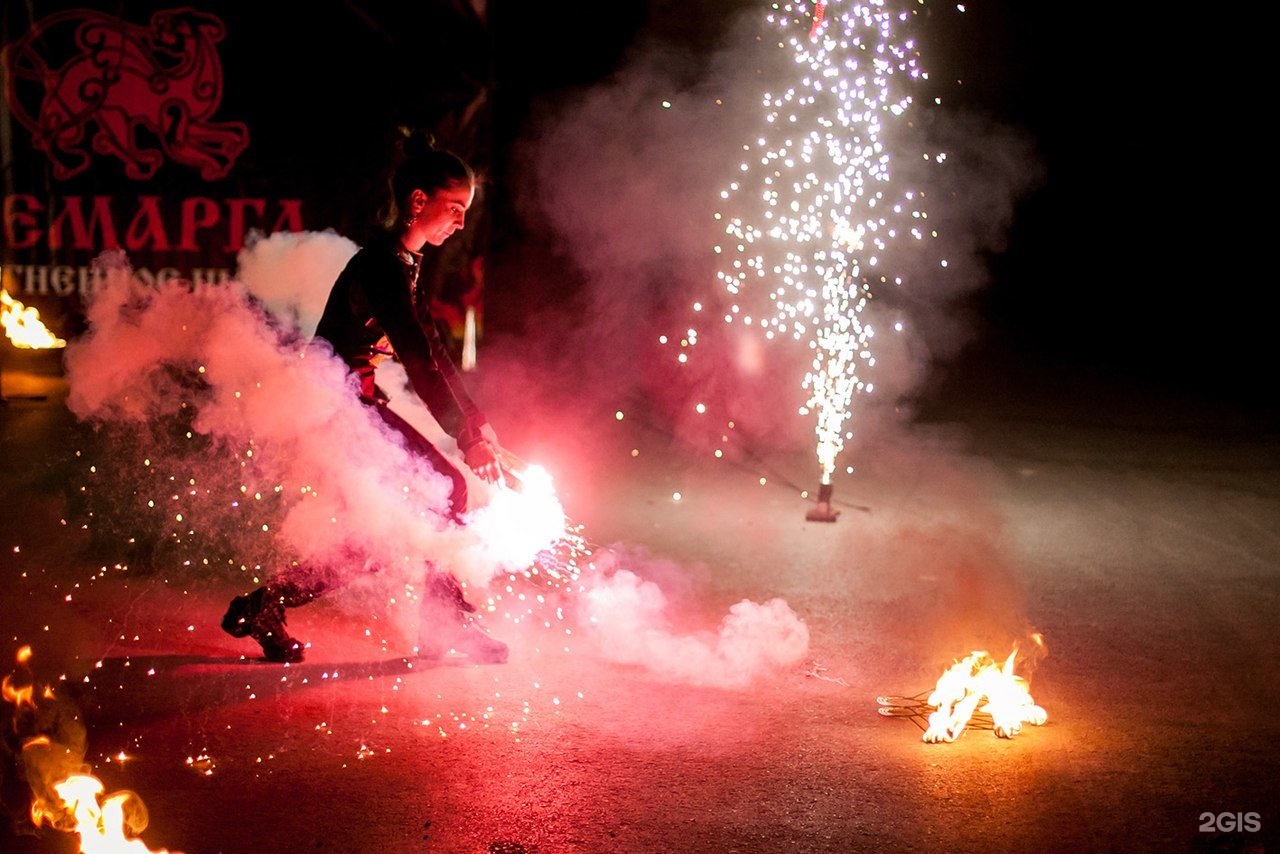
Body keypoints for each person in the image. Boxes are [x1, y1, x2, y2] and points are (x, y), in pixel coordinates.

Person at [221, 130, 509, 665]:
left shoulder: (405, 262)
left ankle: (262, 605)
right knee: (443, 493)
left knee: (388, 529)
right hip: (336, 406)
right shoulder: (382, 265)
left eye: (466, 211)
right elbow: (419, 361)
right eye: (454, 208)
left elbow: (435, 351)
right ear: (418, 201)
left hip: (352, 403)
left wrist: (477, 422)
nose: (460, 222)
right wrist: (465, 438)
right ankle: (443, 624)